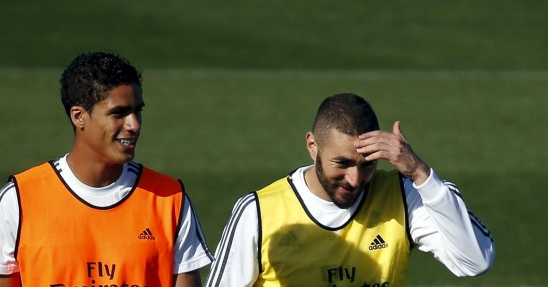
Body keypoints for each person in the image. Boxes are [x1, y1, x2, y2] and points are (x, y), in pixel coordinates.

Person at [207, 93, 495, 286]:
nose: (355, 179)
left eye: (367, 164)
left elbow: (474, 261)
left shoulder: (404, 196)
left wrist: (420, 173)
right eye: (342, 163)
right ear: (312, 146)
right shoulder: (258, 211)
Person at [0, 51, 213, 287]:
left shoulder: (169, 199)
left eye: (137, 111)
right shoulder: (19, 199)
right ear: (79, 117)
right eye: (119, 113)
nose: (134, 125)